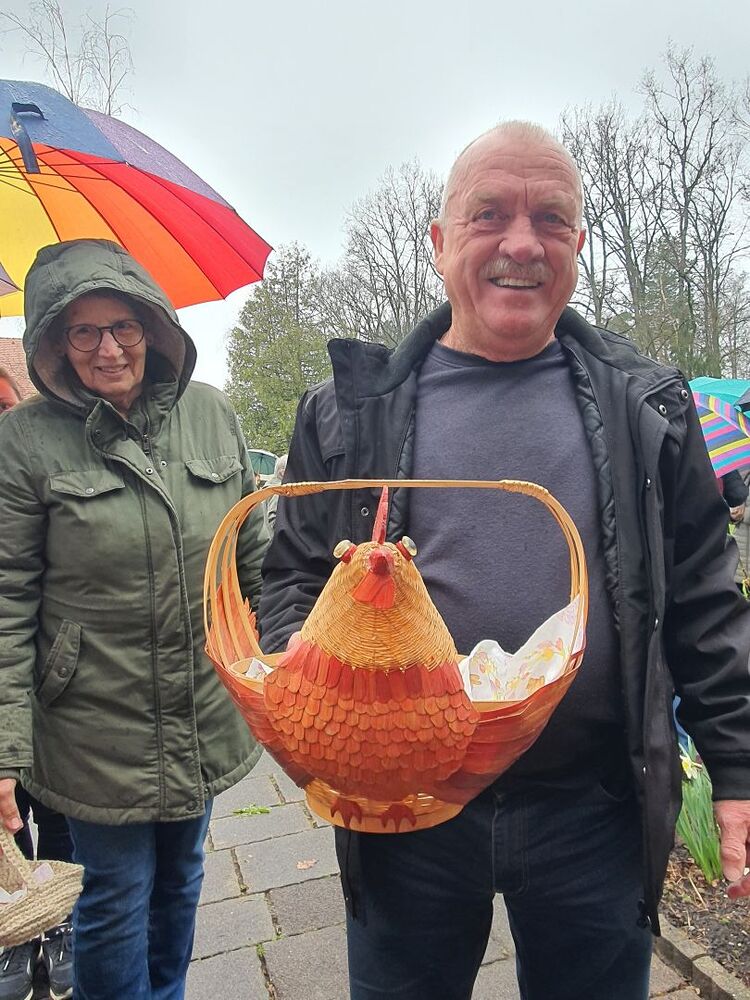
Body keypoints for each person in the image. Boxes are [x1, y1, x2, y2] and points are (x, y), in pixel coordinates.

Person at [258, 122, 750, 1000]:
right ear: (440, 241)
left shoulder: (650, 407)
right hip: (405, 808)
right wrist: (304, 674)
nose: (522, 243)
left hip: (593, 811)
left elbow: (705, 600)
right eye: (489, 214)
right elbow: (291, 575)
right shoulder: (349, 411)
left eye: (550, 219)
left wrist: (737, 771)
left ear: (579, 246)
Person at [0, 239, 269, 1000]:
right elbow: (8, 598)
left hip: (201, 710)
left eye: (123, 325)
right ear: (54, 342)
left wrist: (290, 670)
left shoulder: (210, 413)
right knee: (115, 901)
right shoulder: (25, 441)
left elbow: (255, 555)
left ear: (152, 326)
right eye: (82, 331)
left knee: (181, 882)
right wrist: (5, 753)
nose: (108, 348)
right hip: (93, 724)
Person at [1, 365, 77, 1000]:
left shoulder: (40, 468)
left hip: (49, 681)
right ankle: (16, 926)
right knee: (6, 824)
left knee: (56, 810)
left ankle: (59, 921)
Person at [264, 453, 288, 533]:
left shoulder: (268, 487)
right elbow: (273, 519)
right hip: (272, 538)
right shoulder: (278, 491)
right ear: (282, 472)